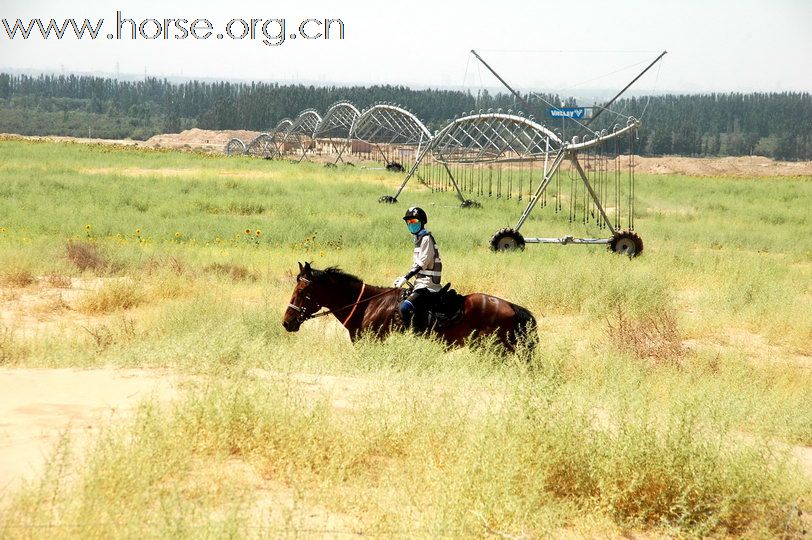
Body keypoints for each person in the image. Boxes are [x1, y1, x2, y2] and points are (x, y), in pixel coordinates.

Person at [393, 206, 443, 332]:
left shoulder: (426, 239)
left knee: (404, 307)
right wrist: (403, 277)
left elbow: (421, 264)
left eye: (414, 221)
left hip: (428, 285)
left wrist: (405, 278)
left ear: (422, 222)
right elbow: (415, 265)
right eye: (409, 222)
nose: (411, 224)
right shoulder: (418, 239)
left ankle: (416, 336)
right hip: (419, 283)